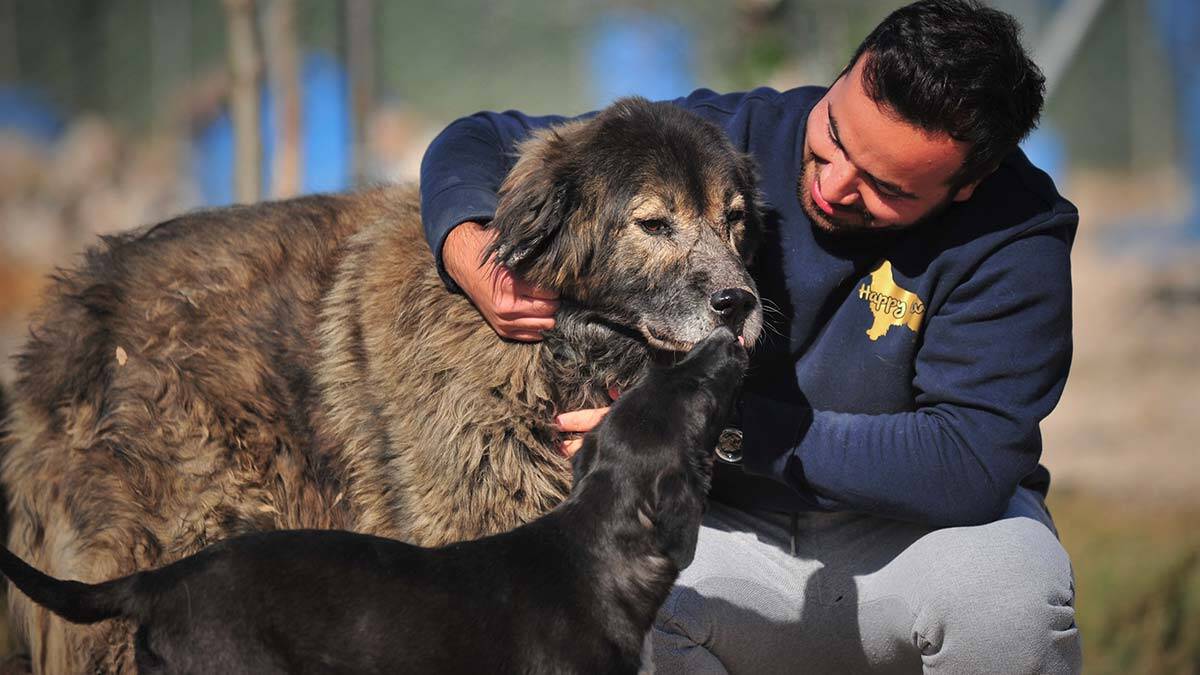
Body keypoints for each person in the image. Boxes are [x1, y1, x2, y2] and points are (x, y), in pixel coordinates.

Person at [418, 1, 1081, 672]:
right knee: (591, 593)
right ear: (848, 73)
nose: (832, 183)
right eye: (835, 134)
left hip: (910, 544)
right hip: (724, 533)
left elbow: (964, 463)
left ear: (967, 187)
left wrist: (713, 426)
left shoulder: (1018, 237)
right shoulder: (729, 135)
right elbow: (478, 139)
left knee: (1011, 599)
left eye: (884, 185)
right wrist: (467, 248)